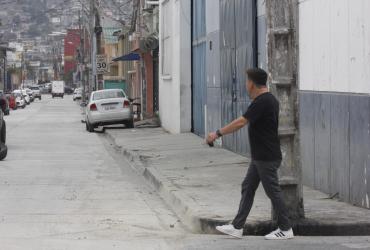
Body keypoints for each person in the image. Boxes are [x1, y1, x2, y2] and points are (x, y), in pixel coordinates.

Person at [206, 68, 294, 240]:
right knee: (248, 187)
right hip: (261, 156)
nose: (246, 85)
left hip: (266, 157)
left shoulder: (263, 101)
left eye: (247, 82)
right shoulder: (268, 100)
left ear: (252, 83)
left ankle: (286, 228)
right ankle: (237, 227)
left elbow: (241, 122)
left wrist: (217, 133)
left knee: (273, 192)